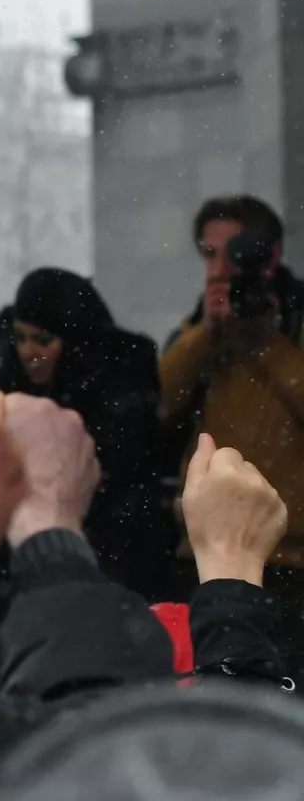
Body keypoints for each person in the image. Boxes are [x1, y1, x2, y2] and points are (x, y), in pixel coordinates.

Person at [0, 268, 174, 597]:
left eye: (43, 340)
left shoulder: (121, 382)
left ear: (76, 341)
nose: (28, 351)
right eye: (20, 338)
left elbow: (116, 466)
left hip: (115, 548)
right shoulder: (10, 378)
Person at [161, 195, 304, 591]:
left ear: (270, 257)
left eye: (235, 253)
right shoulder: (196, 330)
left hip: (289, 556)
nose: (220, 269)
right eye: (209, 254)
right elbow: (157, 409)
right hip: (204, 549)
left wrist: (268, 344)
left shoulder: (295, 322)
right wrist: (204, 336)